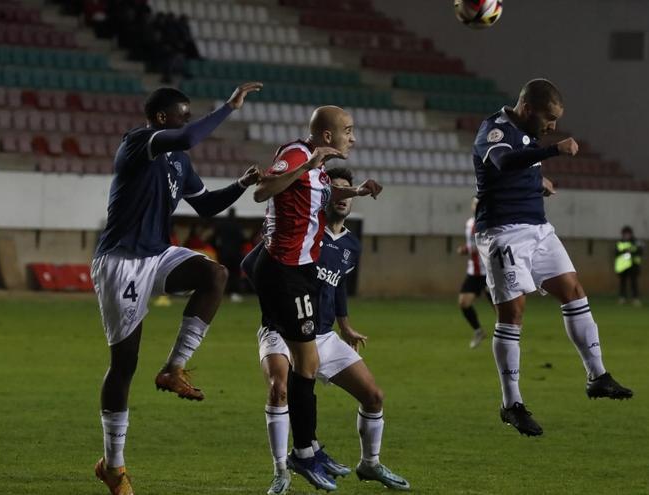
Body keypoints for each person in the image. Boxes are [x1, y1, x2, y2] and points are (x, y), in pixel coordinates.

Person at [90, 82, 263, 495]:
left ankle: (173, 367)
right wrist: (229, 107)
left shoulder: (179, 163)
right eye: (182, 113)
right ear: (162, 118)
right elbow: (187, 135)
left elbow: (205, 206)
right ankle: (113, 466)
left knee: (215, 275)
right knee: (124, 364)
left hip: (157, 253)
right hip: (121, 261)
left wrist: (240, 184)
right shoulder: (140, 142)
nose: (188, 120)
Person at [471, 78, 633, 437]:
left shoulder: (529, 134)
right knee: (513, 312)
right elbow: (502, 162)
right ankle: (511, 403)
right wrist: (552, 152)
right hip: (503, 232)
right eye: (549, 117)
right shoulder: (494, 129)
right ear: (528, 109)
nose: (553, 126)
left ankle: (598, 376)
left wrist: (537, 182)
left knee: (573, 290)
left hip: (539, 228)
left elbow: (520, 164)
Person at [244, 167, 410, 494]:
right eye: (336, 190)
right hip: (282, 331)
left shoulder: (351, 244)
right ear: (324, 197)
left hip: (323, 335)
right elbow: (253, 267)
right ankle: (281, 471)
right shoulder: (304, 233)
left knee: (374, 396)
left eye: (347, 190)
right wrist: (274, 306)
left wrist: (345, 325)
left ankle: (370, 463)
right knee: (279, 390)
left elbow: (338, 286)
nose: (343, 196)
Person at [251, 106, 383, 491]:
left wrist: (355, 190)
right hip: (285, 270)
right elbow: (263, 191)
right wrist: (308, 162)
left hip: (299, 270)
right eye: (348, 130)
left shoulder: (317, 165)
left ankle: (307, 449)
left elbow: (315, 190)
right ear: (327, 136)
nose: (352, 137)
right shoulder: (297, 154)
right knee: (304, 366)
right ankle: (303, 454)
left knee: (306, 363)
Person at [457, 196, 490, 348]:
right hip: (474, 272)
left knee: (502, 308)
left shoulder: (490, 223)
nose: (475, 206)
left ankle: (509, 336)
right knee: (464, 303)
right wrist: (466, 249)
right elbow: (473, 246)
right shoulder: (470, 224)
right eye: (474, 203)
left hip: (491, 271)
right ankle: (478, 331)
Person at [615, 226, 643, 307]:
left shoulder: (635, 242)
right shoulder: (620, 242)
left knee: (634, 282)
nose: (626, 235)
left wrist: (631, 252)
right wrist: (625, 251)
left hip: (633, 265)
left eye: (628, 234)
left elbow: (640, 251)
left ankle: (635, 298)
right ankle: (622, 298)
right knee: (622, 283)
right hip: (623, 266)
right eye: (625, 234)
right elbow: (616, 252)